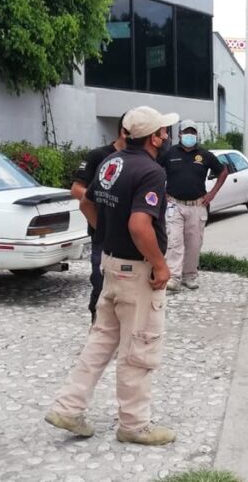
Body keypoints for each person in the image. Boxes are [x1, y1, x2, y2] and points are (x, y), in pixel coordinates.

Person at [45, 106, 178, 446]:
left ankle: (68, 407)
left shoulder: (110, 162)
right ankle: (133, 426)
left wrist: (106, 234)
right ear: (154, 137)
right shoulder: (151, 172)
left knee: (101, 339)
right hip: (137, 272)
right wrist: (160, 264)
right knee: (140, 347)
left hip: (110, 264)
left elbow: (86, 203)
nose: (167, 136)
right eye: (163, 131)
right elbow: (139, 224)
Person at [71, 113, 127, 324]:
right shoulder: (98, 156)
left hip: (131, 238)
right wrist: (100, 209)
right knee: (101, 284)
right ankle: (97, 330)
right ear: (124, 131)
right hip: (102, 236)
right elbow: (76, 189)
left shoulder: (145, 159)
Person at [160, 121, 227, 292]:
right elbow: (155, 171)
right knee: (174, 242)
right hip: (174, 205)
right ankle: (173, 277)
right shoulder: (169, 153)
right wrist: (162, 192)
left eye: (192, 132)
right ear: (180, 134)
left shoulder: (205, 155)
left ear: (196, 135)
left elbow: (223, 171)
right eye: (186, 132)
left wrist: (212, 194)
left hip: (197, 206)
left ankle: (190, 276)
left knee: (194, 244)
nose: (189, 135)